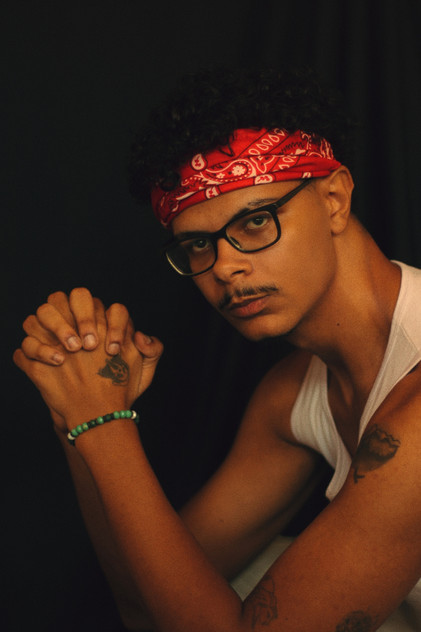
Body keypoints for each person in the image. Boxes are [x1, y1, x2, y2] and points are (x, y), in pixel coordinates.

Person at [13, 67, 421, 632]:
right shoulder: (292, 393)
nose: (225, 267)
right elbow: (147, 607)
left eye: (255, 222)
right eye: (198, 245)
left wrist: (102, 423)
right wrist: (75, 412)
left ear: (333, 199)